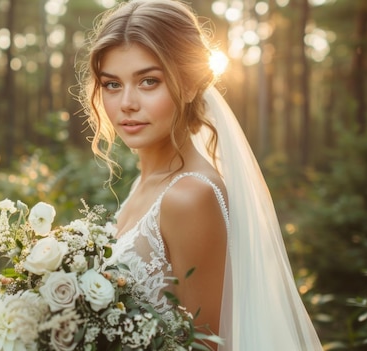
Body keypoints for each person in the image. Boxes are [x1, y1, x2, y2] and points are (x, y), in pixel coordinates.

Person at [77, 0, 323, 350]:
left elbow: (205, 346)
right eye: (112, 84)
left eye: (148, 81)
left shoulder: (189, 196)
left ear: (190, 84)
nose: (126, 103)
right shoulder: (144, 183)